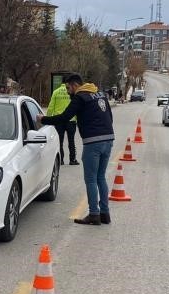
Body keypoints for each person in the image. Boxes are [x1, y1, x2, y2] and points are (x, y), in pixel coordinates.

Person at [39, 73, 115, 226]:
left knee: (91, 179)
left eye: (68, 88)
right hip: (108, 139)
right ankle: (105, 214)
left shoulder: (80, 97)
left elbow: (64, 117)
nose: (67, 91)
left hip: (93, 142)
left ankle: (94, 214)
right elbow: (110, 116)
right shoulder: (98, 93)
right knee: (101, 177)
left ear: (74, 85)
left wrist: (43, 120)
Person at [46, 80, 78, 165]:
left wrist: (48, 120)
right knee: (71, 141)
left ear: (61, 83)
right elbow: (77, 107)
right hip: (71, 120)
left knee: (60, 141)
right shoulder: (72, 92)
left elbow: (51, 107)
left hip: (59, 120)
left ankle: (61, 160)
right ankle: (72, 159)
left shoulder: (56, 92)